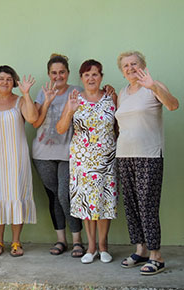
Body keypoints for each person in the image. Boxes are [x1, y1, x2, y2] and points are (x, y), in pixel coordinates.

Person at [115, 51, 179, 275]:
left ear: (143, 65)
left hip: (149, 155)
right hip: (124, 155)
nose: (130, 68)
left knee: (147, 206)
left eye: (134, 64)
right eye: (126, 65)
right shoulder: (122, 93)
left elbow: (173, 105)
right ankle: (140, 249)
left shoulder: (154, 86)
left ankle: (156, 255)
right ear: (122, 71)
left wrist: (153, 87)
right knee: (131, 206)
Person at [56, 59, 118, 264]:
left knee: (104, 201)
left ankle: (103, 246)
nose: (91, 78)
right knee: (86, 203)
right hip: (82, 159)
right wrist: (71, 110)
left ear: (101, 76)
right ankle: (91, 247)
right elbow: (61, 128)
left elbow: (118, 127)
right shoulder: (75, 98)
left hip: (106, 158)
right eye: (87, 75)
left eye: (95, 74)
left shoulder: (111, 97)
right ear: (81, 78)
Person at [0, 65, 38, 257]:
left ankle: (16, 242)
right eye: (1, 78)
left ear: (14, 83)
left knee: (16, 196)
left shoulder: (20, 101)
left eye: (9, 79)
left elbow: (33, 117)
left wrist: (26, 94)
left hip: (16, 159)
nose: (5, 82)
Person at [31, 54, 84, 257]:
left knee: (65, 194)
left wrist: (110, 92)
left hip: (68, 153)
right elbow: (35, 122)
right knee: (54, 196)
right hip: (42, 153)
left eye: (62, 72)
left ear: (68, 73)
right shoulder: (42, 93)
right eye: (54, 73)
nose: (58, 76)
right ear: (49, 74)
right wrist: (46, 101)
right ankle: (61, 240)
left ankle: (77, 240)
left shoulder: (77, 92)